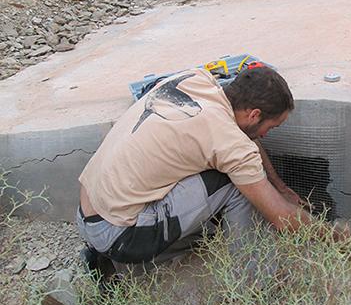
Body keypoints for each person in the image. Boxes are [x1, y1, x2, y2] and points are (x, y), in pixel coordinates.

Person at [77, 66, 312, 277]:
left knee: (220, 202)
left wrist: (280, 188)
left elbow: (242, 135)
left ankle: (115, 263)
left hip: (89, 215)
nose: (266, 135)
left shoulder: (194, 80)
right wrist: (338, 237)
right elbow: (282, 218)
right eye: (272, 127)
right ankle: (255, 283)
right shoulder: (228, 140)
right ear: (254, 114)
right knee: (234, 185)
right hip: (118, 234)